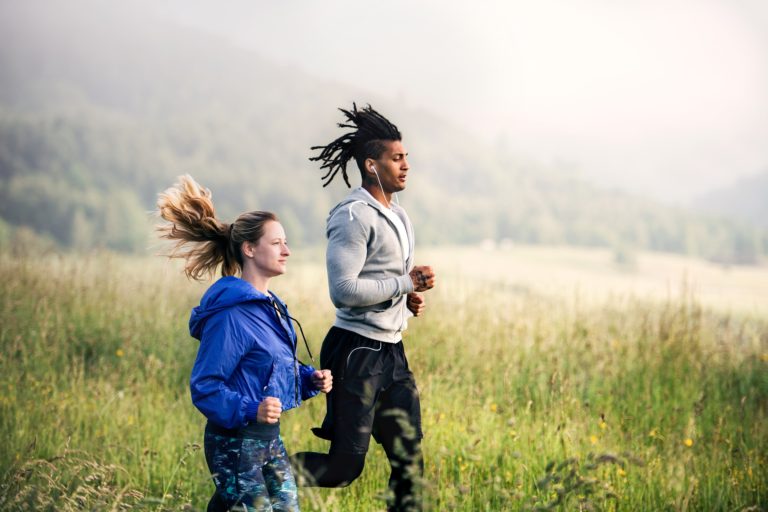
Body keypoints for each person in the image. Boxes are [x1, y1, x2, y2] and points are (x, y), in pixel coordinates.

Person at [156, 175, 333, 512]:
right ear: (249, 249)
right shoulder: (231, 315)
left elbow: (272, 367)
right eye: (277, 243)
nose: (287, 251)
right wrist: (252, 409)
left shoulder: (272, 307)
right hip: (233, 444)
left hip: (269, 440)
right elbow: (205, 385)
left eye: (286, 242)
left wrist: (309, 379)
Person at [291, 104, 436, 512]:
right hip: (355, 351)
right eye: (397, 158)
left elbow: (383, 280)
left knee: (409, 463)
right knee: (344, 467)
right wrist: (405, 283)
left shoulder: (399, 214)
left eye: (406, 156)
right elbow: (343, 290)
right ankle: (256, 478)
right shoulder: (353, 216)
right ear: (371, 165)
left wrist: (406, 300)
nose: (406, 165)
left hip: (393, 352)